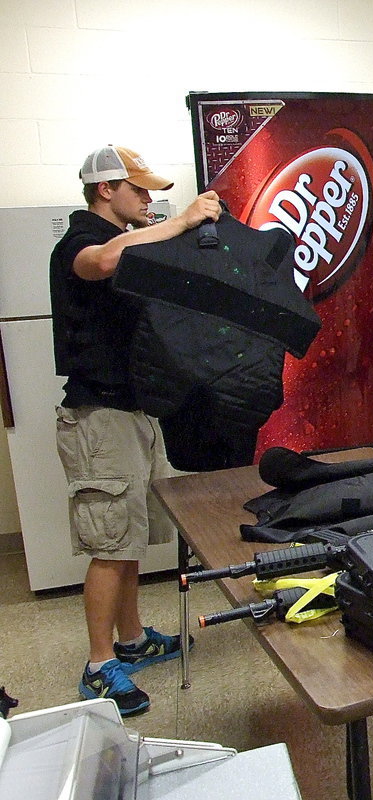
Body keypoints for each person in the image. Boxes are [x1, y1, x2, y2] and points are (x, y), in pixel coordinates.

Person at [50, 145, 222, 716]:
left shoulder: (130, 246)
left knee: (125, 542)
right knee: (108, 546)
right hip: (99, 417)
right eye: (139, 191)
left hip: (132, 411)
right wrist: (180, 220)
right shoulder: (78, 244)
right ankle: (100, 665)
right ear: (106, 189)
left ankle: (131, 640)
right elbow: (98, 263)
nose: (149, 200)